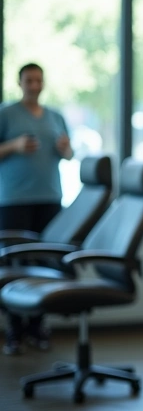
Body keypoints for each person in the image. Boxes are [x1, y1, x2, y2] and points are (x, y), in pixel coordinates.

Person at [0, 63, 73, 355]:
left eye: (38, 80)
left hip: (50, 198)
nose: (34, 85)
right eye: (29, 80)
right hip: (14, 200)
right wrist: (14, 146)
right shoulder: (7, 114)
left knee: (46, 262)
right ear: (20, 83)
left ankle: (38, 327)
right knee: (13, 263)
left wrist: (65, 148)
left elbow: (69, 154)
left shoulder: (56, 116)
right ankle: (14, 330)